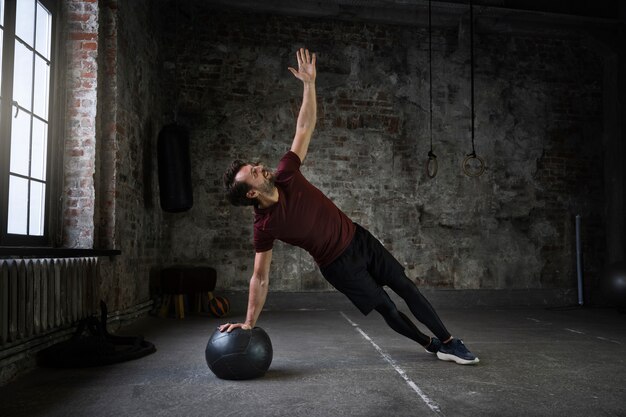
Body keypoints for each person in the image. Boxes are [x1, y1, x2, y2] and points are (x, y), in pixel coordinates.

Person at [221, 48, 479, 365]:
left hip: (358, 238)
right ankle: (431, 344)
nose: (261, 167)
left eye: (256, 165)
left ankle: (451, 342)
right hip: (338, 267)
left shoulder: (286, 172)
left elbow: (303, 128)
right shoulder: (264, 226)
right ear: (250, 194)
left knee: (405, 286)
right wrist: (248, 323)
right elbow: (259, 278)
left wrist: (309, 84)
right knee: (386, 306)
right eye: (254, 172)